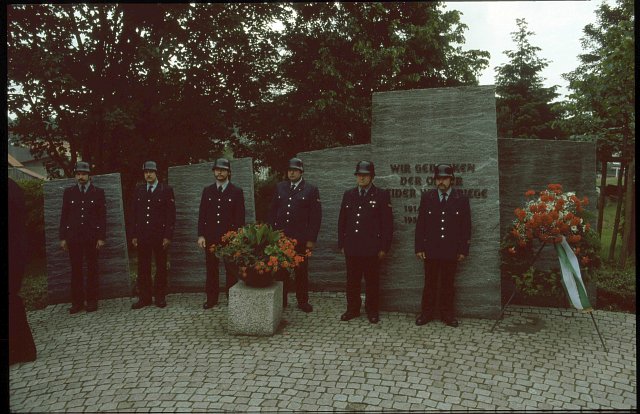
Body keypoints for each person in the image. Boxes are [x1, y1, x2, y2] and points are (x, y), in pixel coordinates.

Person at [415, 164, 471, 327]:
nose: (441, 181)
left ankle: (447, 314)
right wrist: (419, 247)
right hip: (431, 249)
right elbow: (421, 224)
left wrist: (463, 249)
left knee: (448, 284)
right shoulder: (427, 197)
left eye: (445, 178)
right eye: (438, 178)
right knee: (430, 283)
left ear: (451, 180)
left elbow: (466, 227)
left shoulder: (461, 199)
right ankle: (426, 313)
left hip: (451, 249)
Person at [337, 161, 393, 324]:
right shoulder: (349, 194)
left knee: (372, 281)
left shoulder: (381, 195)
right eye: (359, 175)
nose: (361, 178)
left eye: (365, 175)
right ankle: (352, 309)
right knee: (352, 280)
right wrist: (342, 243)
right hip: (352, 246)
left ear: (372, 177)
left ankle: (372, 310)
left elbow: (387, 224)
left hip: (371, 248)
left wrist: (384, 247)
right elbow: (342, 220)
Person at [268, 157, 321, 313]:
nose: (291, 173)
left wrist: (311, 239)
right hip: (281, 237)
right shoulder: (280, 187)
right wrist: (271, 234)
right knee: (281, 270)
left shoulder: (310, 189)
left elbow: (315, 217)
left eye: (295, 170)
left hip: (300, 238)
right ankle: (282, 300)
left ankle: (302, 301)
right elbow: (272, 211)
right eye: (289, 170)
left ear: (301, 172)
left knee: (301, 271)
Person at [198, 158, 245, 309]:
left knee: (231, 269)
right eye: (217, 169)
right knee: (211, 268)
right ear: (214, 171)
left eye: (223, 170)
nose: (219, 172)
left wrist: (237, 237)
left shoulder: (236, 191)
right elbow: (202, 215)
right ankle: (211, 298)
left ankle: (232, 298)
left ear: (228, 172)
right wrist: (201, 235)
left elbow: (240, 217)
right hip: (211, 236)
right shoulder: (207, 191)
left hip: (229, 238)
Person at [59, 161, 106, 313]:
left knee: (92, 269)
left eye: (84, 174)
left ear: (89, 176)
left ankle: (92, 300)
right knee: (76, 270)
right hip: (74, 237)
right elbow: (64, 216)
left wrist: (101, 237)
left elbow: (102, 217)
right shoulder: (69, 192)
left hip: (92, 237)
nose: (81, 177)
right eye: (78, 174)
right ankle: (77, 302)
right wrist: (63, 238)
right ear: (75, 176)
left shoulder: (98, 192)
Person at [131, 161, 176, 309]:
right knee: (143, 267)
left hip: (159, 235)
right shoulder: (139, 190)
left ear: (156, 173)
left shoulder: (166, 190)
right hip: (143, 235)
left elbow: (170, 215)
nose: (148, 174)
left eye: (151, 172)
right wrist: (134, 235)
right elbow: (134, 214)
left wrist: (168, 236)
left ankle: (160, 296)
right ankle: (144, 297)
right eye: (146, 172)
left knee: (161, 266)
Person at [9, 178, 37, 364]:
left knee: (12, 300)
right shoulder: (12, 187)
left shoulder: (11, 188)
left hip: (13, 253)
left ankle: (23, 350)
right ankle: (22, 349)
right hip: (16, 251)